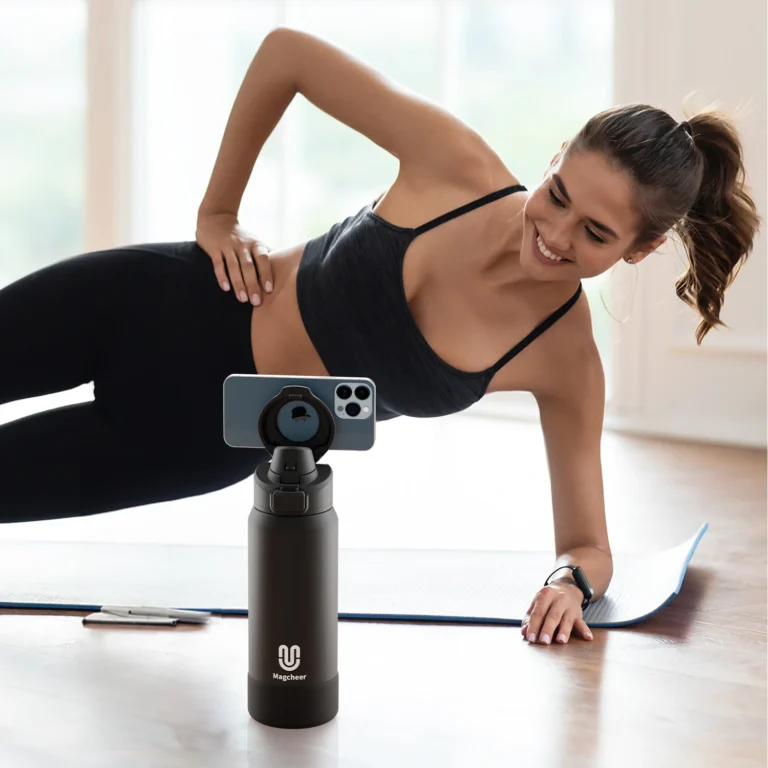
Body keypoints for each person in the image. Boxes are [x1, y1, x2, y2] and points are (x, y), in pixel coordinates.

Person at [0, 29, 761, 646]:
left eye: (595, 233)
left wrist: (570, 583)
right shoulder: (456, 165)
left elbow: (588, 544)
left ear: (640, 250)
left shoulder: (564, 359)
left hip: (198, 439)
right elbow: (286, 56)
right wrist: (217, 214)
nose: (556, 235)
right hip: (161, 305)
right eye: (558, 195)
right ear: (555, 157)